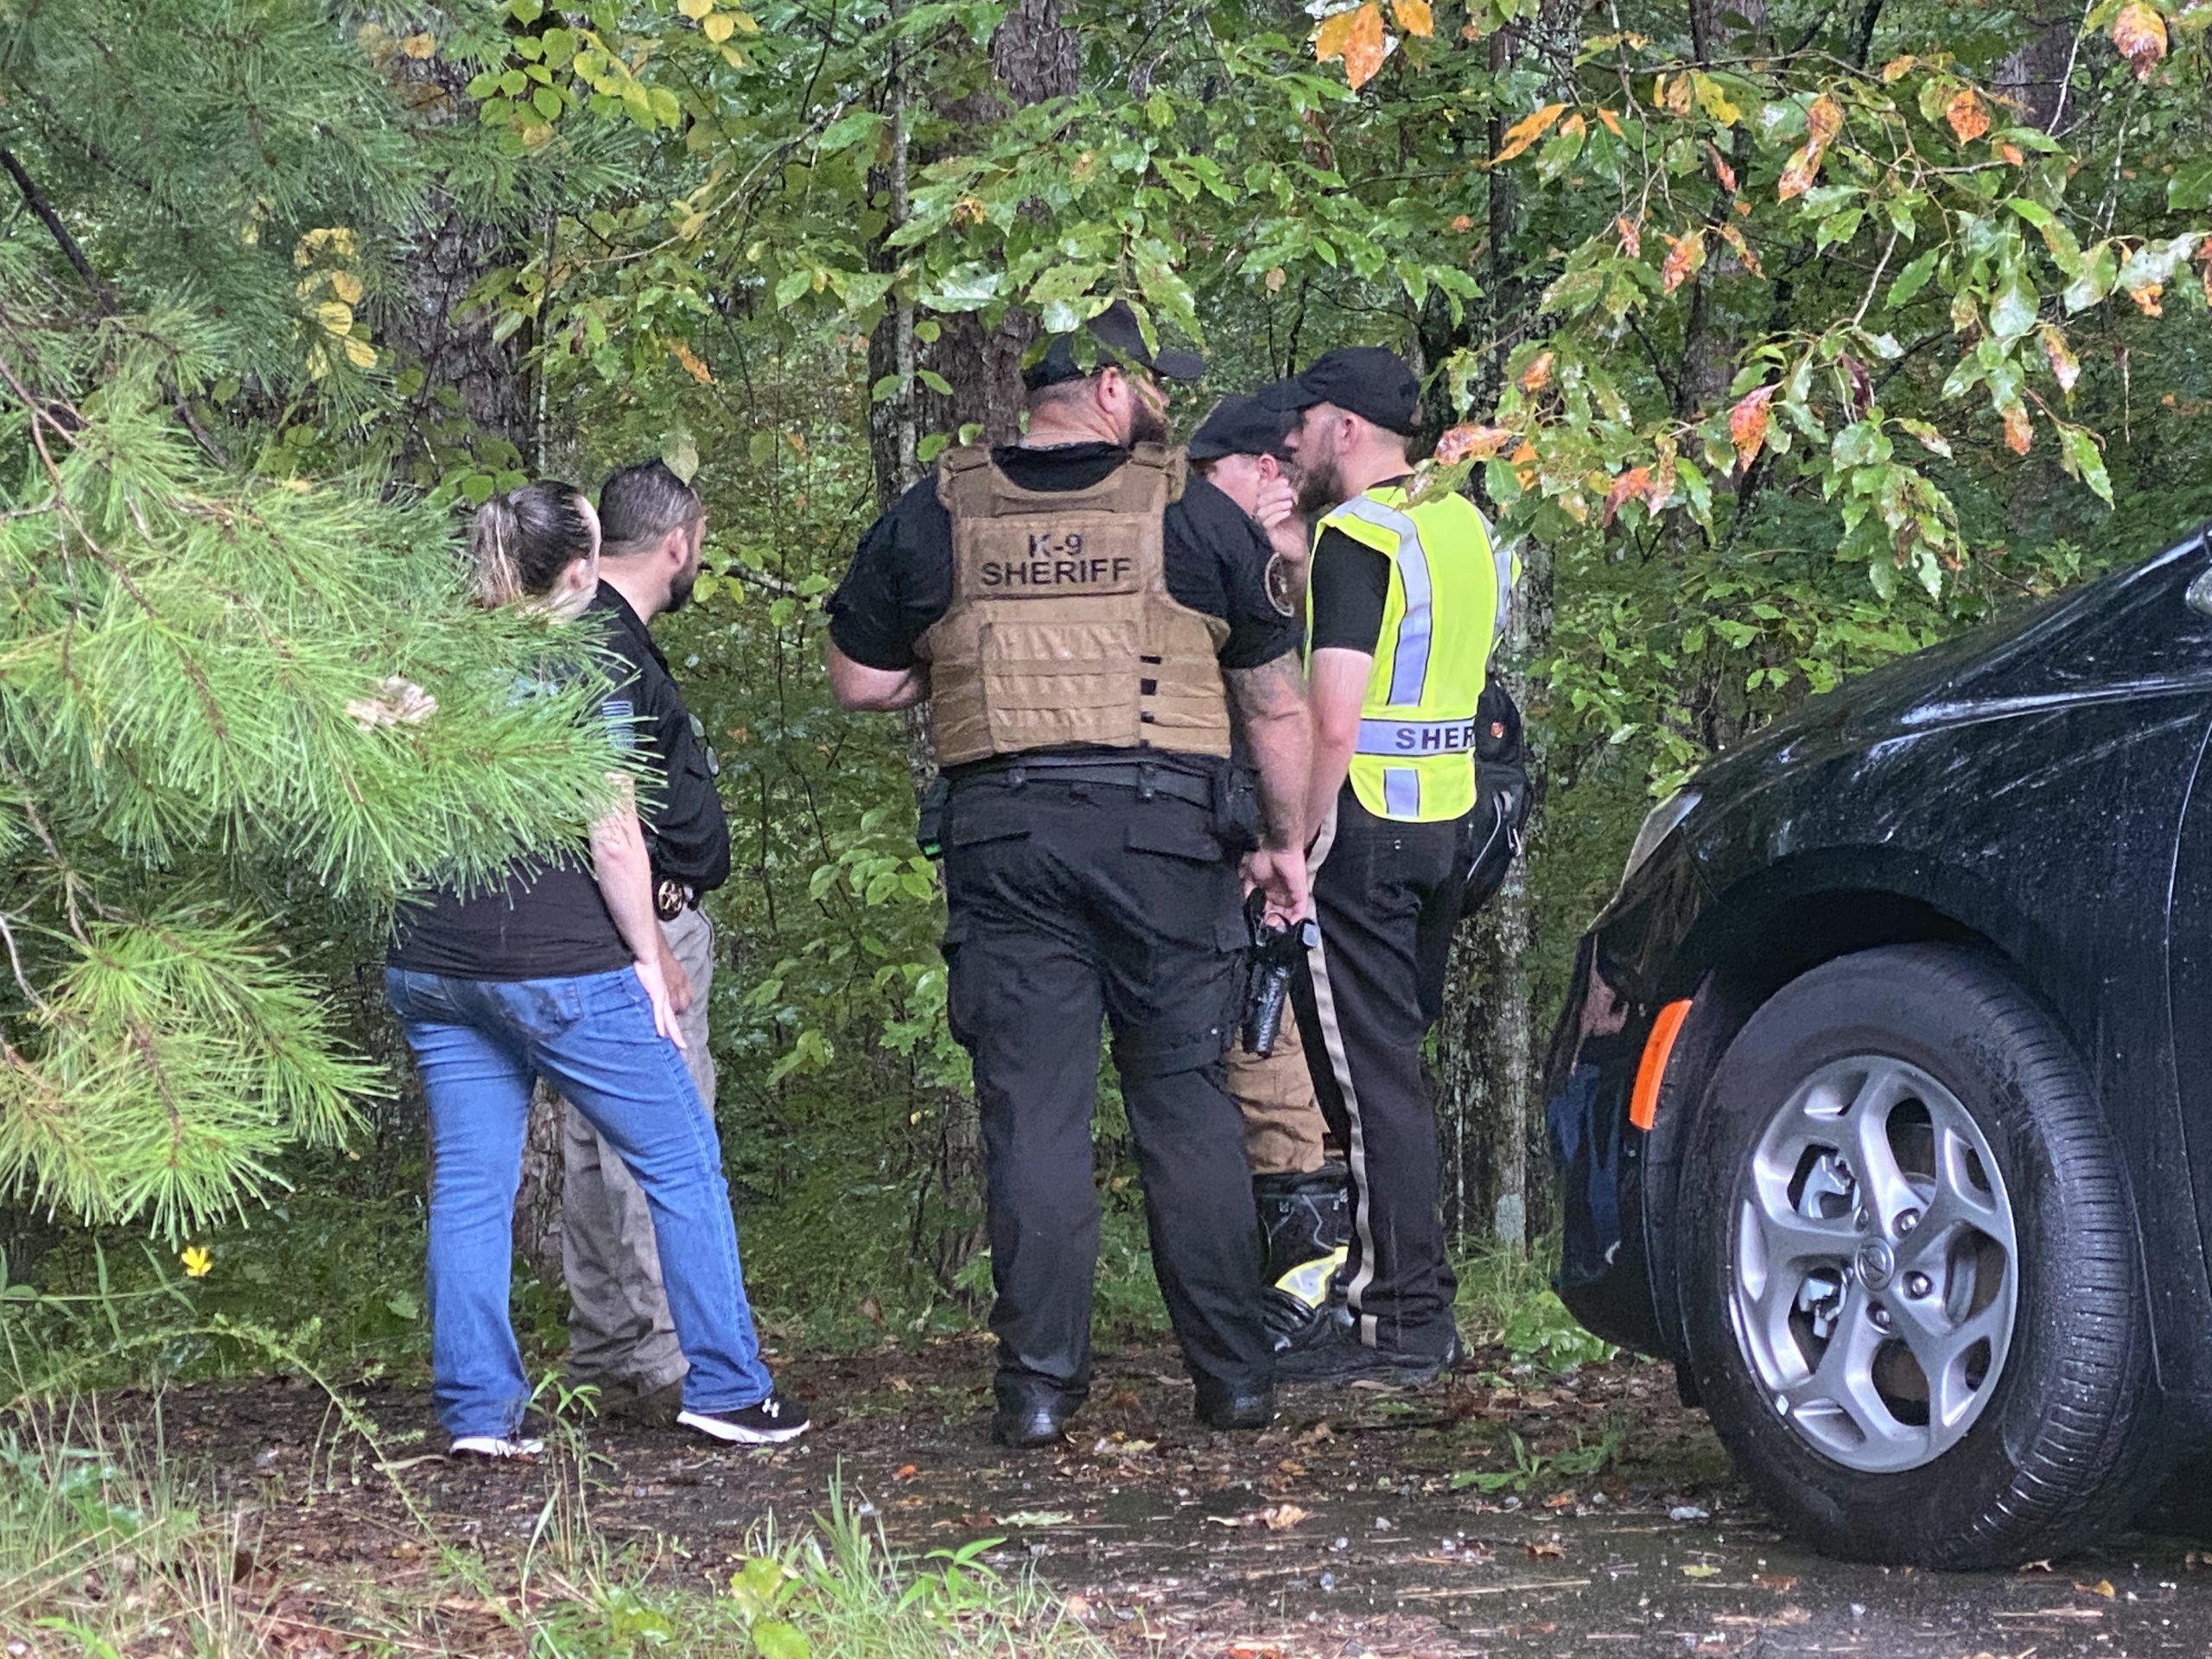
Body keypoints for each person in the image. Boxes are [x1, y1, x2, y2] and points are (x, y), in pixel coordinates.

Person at [823, 302, 1313, 1446]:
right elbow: (1274, 707)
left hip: (1007, 840)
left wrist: (963, 671)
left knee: (1034, 1113)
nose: (1166, 408)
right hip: (1165, 843)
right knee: (1185, 1103)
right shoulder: (1193, 515)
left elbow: (858, 679)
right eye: (1155, 386)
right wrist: (1284, 845)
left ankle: (1039, 1391)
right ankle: (1234, 1382)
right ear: (1105, 388)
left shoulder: (937, 512)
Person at [385, 481, 807, 1457]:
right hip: (558, 961)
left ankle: (479, 1412)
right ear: (579, 573)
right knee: (682, 1161)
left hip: (431, 957)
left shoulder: (430, 654)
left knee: (471, 1187)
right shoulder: (578, 663)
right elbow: (613, 833)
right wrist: (650, 960)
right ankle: (729, 1386)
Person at [1260, 347, 1516, 1384]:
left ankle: (1397, 1318)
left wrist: (1292, 843)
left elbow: (1332, 716)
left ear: (1347, 427)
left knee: (1368, 1086)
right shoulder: (1464, 524)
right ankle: (1406, 1301)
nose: (1291, 442)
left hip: (1361, 823)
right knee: (1394, 1071)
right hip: (1446, 819)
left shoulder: (1357, 535)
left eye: (1303, 423)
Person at [556, 461, 731, 1424]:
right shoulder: (606, 643)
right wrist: (651, 942)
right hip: (638, 919)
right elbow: (604, 811)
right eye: (700, 539)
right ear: (679, 541)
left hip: (612, 921)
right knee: (659, 1134)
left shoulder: (596, 633)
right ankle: (668, 1354)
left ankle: (612, 1343)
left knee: (596, 1138)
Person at [1185, 396, 1351, 1359]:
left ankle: (1311, 1274)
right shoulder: (1192, 546)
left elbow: (1298, 701)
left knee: (1270, 1046)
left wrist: (1279, 841)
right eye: (1265, 464)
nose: (1281, 479)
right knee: (1233, 1054)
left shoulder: (1293, 561)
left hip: (1276, 842)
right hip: (1211, 833)